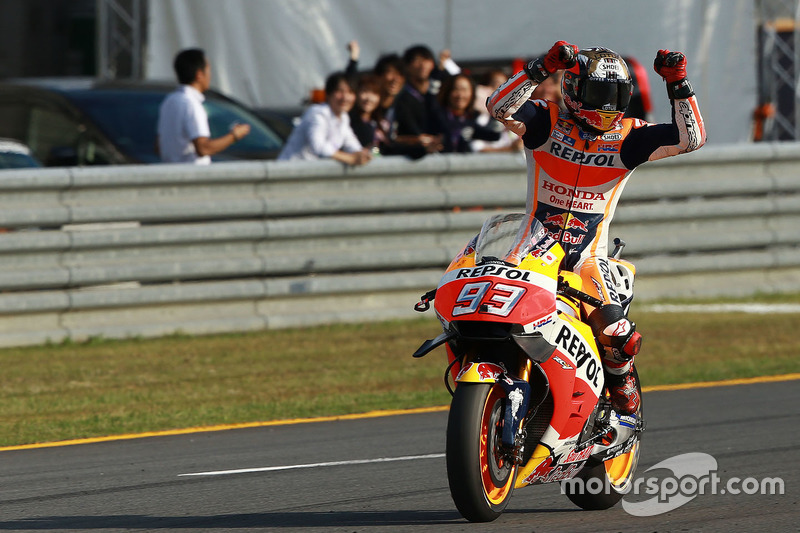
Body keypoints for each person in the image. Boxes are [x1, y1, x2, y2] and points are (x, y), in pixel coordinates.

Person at [487, 41, 706, 415]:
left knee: (619, 334)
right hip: (530, 252)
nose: (607, 104)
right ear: (572, 89)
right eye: (599, 93)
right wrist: (541, 67)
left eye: (615, 94)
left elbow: (692, 138)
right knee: (493, 315)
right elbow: (498, 106)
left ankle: (621, 380)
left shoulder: (629, 135)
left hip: (587, 260)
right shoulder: (546, 120)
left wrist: (678, 84)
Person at [157, 48, 250, 164]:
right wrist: (234, 136)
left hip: (170, 174)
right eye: (208, 69)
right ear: (199, 75)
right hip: (192, 177)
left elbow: (159, 146)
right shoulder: (191, 104)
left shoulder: (169, 101)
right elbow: (203, 148)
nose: (210, 75)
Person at [278, 71, 372, 166]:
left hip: (311, 174)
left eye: (350, 92)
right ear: (328, 94)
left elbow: (351, 142)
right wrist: (349, 158)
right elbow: (318, 146)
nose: (345, 97)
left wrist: (361, 154)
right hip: (290, 173)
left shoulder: (344, 117)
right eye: (340, 91)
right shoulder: (317, 113)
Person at [392, 44, 445, 155]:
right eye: (417, 60)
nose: (422, 65)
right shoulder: (402, 98)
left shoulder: (439, 93)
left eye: (426, 60)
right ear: (406, 66)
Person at [435, 73, 500, 153]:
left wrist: (495, 113)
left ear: (472, 93)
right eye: (456, 89)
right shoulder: (436, 115)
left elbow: (493, 135)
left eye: (464, 90)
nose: (460, 95)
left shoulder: (471, 118)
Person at [349, 73, 382, 150]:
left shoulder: (380, 122)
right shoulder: (350, 122)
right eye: (364, 91)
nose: (369, 98)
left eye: (374, 93)